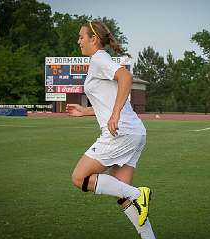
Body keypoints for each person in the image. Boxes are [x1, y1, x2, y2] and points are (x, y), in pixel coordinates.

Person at [67, 21, 156, 239]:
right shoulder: (98, 61)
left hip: (121, 132)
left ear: (93, 39)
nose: (78, 41)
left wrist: (115, 114)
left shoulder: (99, 58)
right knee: (125, 197)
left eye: (81, 37)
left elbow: (125, 77)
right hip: (134, 132)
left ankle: (138, 193)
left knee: (79, 178)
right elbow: (106, 102)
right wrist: (84, 111)